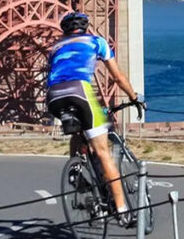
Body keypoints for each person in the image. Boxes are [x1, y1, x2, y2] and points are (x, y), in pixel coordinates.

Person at [45, 12, 144, 226]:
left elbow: (54, 73)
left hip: (53, 98)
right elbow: (118, 77)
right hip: (79, 91)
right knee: (102, 152)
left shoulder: (54, 48)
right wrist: (134, 98)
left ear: (65, 31)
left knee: (77, 130)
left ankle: (76, 170)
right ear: (86, 27)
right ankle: (123, 211)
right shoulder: (96, 41)